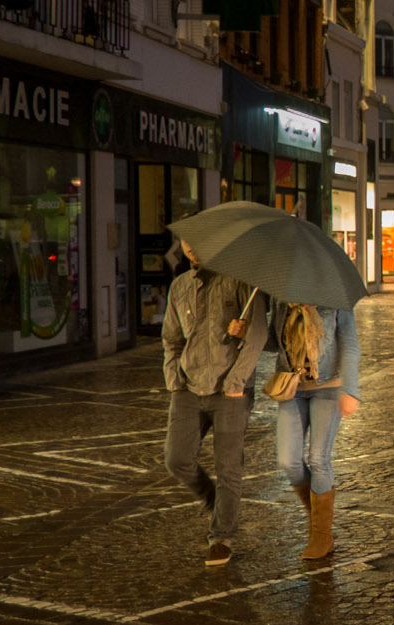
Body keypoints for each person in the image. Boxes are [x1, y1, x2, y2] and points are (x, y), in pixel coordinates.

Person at [161, 238, 267, 567]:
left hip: (229, 392)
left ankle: (221, 536)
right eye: (186, 240)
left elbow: (259, 334)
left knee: (229, 468)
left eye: (199, 239)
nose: (192, 246)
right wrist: (174, 379)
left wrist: (236, 382)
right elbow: (172, 338)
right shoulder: (180, 286)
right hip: (189, 390)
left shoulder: (240, 282)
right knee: (176, 459)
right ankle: (213, 498)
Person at [273, 301, 362, 560]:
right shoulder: (280, 301)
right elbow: (270, 341)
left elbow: (350, 345)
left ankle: (321, 536)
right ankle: (317, 520)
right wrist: (243, 330)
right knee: (288, 461)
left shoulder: (334, 299)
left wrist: (350, 390)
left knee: (318, 459)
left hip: (328, 386)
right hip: (291, 385)